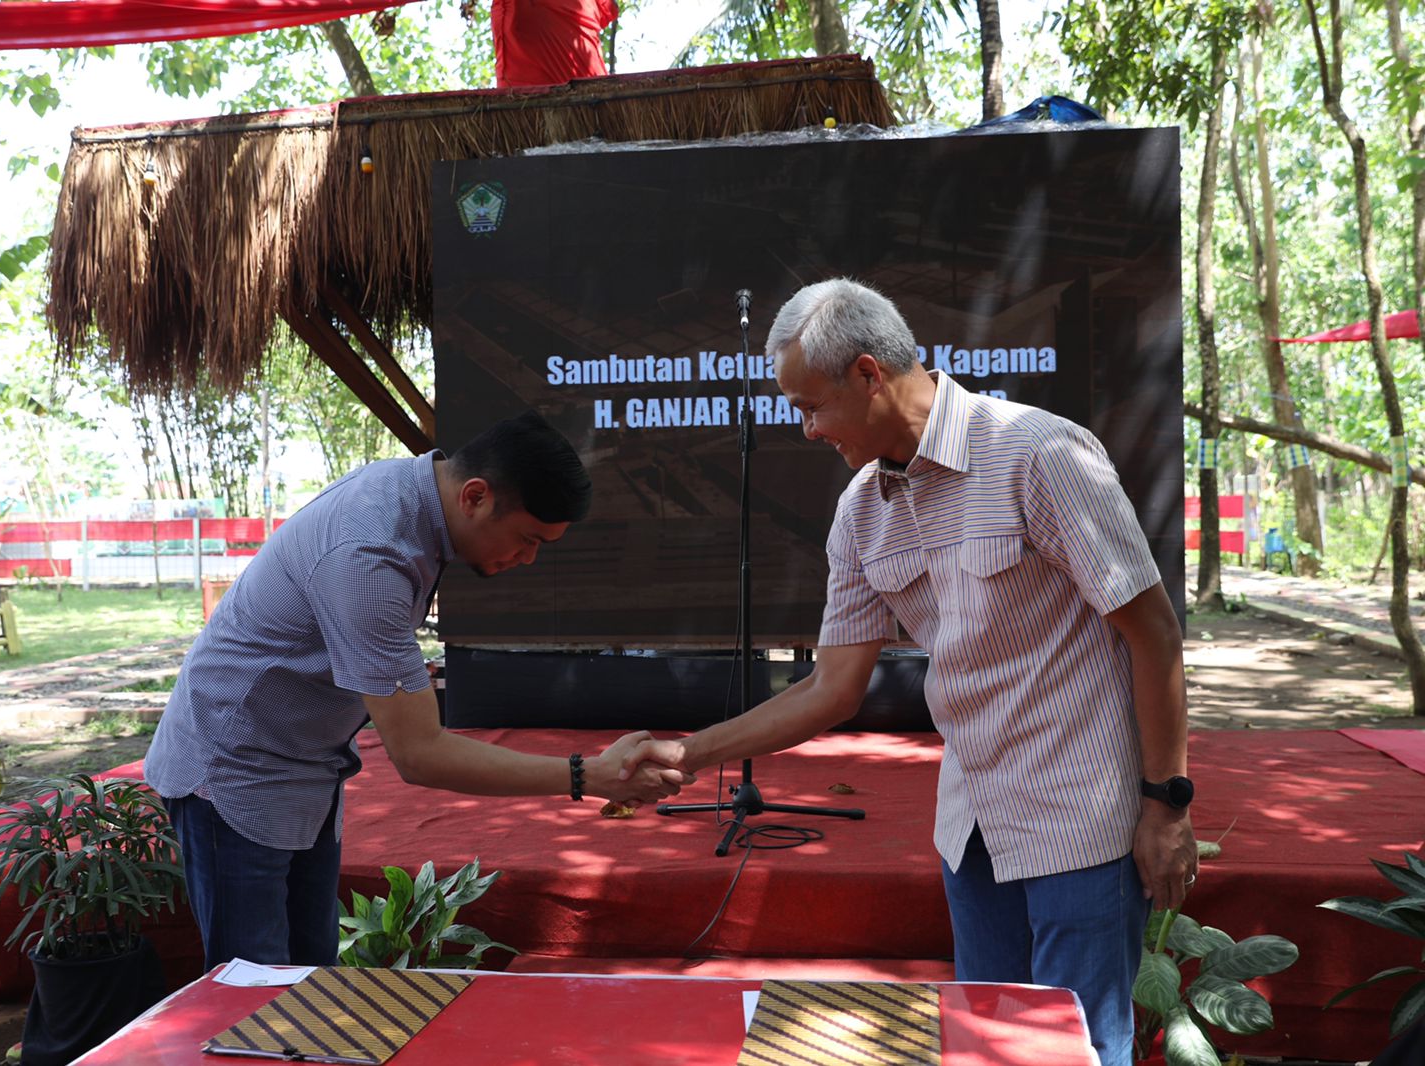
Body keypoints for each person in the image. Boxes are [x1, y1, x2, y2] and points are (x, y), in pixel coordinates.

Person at [624, 279, 1197, 1065]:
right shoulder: (862, 512)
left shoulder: (1039, 454)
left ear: (868, 374)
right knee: (985, 1045)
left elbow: (1155, 635)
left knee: (1083, 1051)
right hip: (973, 827)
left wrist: (1166, 806)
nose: (806, 429)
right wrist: (691, 756)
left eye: (812, 405)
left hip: (1081, 818)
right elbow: (832, 689)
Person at [146, 411, 688, 970]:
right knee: (252, 995)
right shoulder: (372, 552)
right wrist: (586, 775)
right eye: (527, 539)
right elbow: (420, 753)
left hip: (302, 767)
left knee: (309, 977)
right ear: (474, 496)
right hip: (234, 770)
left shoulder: (410, 493)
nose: (528, 558)